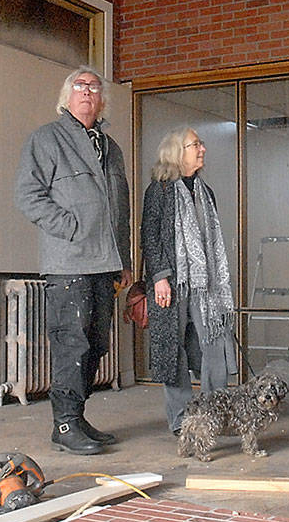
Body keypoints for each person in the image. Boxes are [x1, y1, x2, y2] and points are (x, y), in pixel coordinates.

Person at [14, 66, 131, 455]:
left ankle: (77, 416)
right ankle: (64, 423)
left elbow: (121, 208)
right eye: (79, 87)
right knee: (72, 344)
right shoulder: (46, 139)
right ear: (67, 98)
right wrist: (69, 226)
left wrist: (124, 258)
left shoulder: (109, 147)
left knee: (97, 343)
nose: (87, 93)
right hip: (69, 261)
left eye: (94, 88)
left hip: (104, 262)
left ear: (101, 101)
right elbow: (29, 195)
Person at [140, 126, 237, 435]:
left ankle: (214, 412)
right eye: (195, 144)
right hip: (172, 283)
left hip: (206, 286)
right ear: (177, 153)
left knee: (214, 346)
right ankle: (181, 419)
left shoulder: (205, 193)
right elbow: (150, 236)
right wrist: (160, 278)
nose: (202, 149)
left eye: (201, 144)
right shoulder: (160, 189)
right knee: (174, 349)